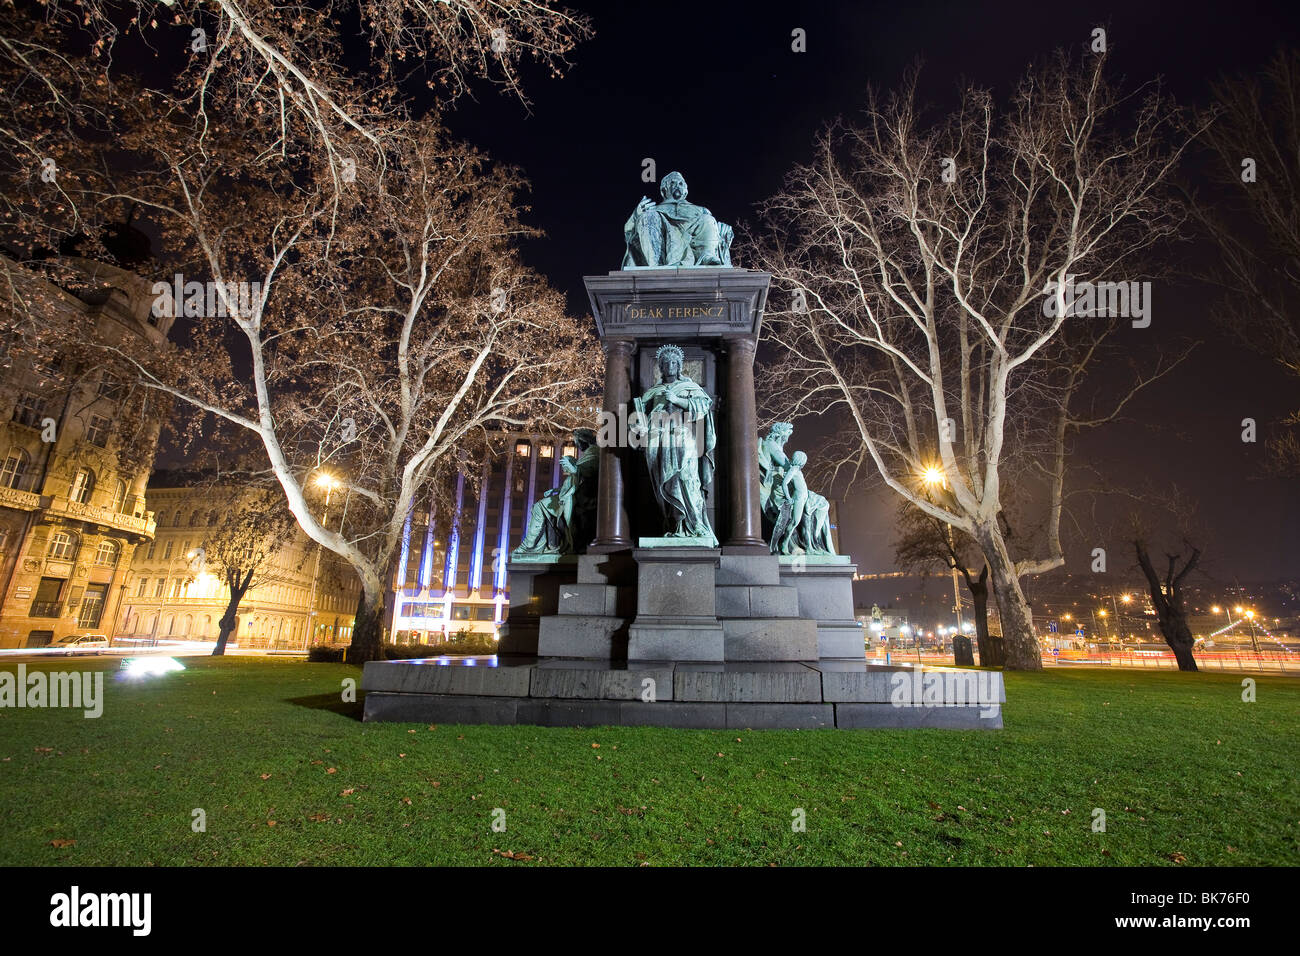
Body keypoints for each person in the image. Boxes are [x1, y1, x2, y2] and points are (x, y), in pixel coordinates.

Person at [631, 343, 718, 544]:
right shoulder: (652, 392)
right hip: (659, 438)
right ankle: (677, 525)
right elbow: (638, 419)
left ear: (679, 365)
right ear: (660, 367)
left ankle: (696, 524)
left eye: (674, 362)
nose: (670, 365)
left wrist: (677, 400)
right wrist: (639, 428)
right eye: (666, 362)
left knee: (687, 478)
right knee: (666, 482)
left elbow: (703, 406)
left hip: (683, 434)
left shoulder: (690, 387)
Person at [622, 172, 733, 268]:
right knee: (647, 217)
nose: (677, 186)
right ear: (663, 191)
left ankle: (707, 257)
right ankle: (656, 267)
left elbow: (714, 231)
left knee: (708, 219)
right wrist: (636, 215)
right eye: (672, 183)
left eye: (680, 183)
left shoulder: (701, 210)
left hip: (694, 242)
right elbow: (629, 234)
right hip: (664, 235)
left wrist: (724, 231)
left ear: (685, 191)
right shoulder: (654, 210)